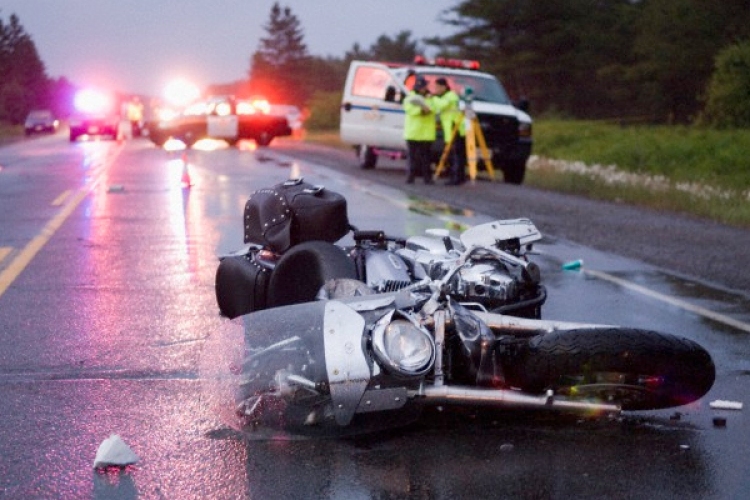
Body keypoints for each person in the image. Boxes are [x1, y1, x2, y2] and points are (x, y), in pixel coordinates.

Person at [432, 78, 466, 185]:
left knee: (456, 154)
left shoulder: (451, 96)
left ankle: (456, 177)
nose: (436, 90)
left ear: (444, 87)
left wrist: (433, 97)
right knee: (453, 154)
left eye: (437, 87)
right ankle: (456, 176)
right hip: (450, 128)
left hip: (455, 127)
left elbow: (442, 105)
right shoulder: (445, 96)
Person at [403, 76, 436, 184]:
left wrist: (428, 109)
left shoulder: (431, 97)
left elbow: (435, 108)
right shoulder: (409, 97)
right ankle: (410, 177)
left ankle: (427, 178)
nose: (425, 88)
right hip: (413, 132)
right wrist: (421, 110)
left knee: (426, 158)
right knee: (412, 158)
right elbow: (409, 109)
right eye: (423, 86)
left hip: (427, 133)